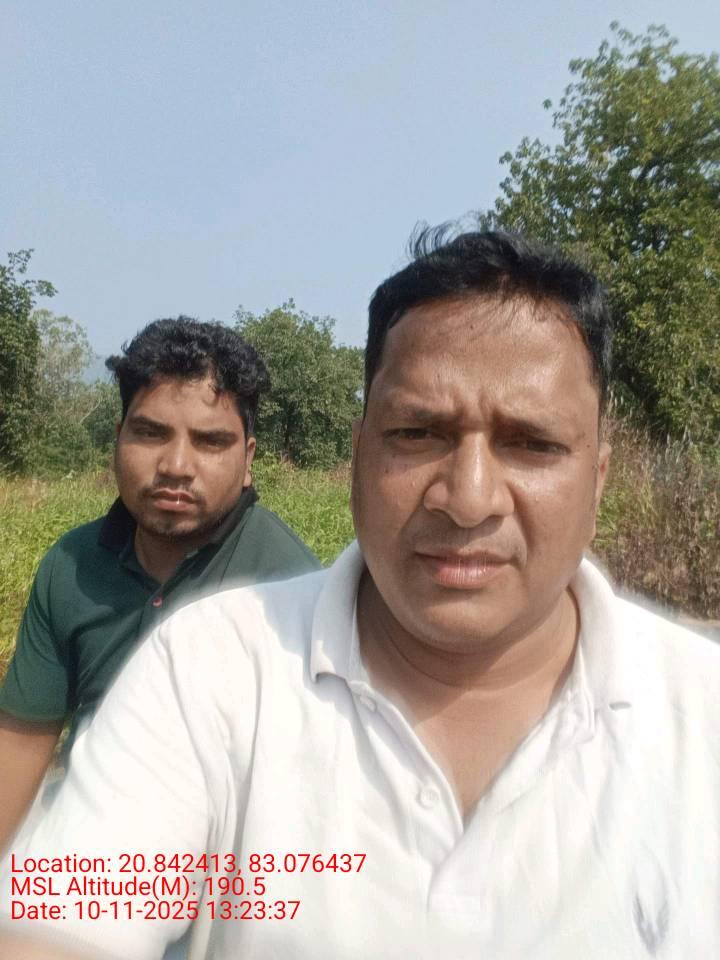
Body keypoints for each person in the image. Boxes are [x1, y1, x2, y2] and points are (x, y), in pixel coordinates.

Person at [2, 231, 719, 960]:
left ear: (597, 480)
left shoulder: (701, 718)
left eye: (533, 444)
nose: (468, 499)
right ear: (358, 456)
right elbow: (59, 925)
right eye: (417, 433)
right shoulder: (210, 669)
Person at [0, 317, 320, 852]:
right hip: (86, 846)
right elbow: (19, 747)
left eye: (210, 441)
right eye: (150, 433)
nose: (175, 466)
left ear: (248, 460)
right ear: (117, 440)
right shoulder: (72, 564)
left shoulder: (289, 584)